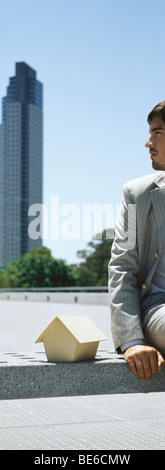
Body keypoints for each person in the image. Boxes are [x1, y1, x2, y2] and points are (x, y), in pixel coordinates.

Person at [108, 101, 165, 381]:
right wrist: (132, 341)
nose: (148, 142)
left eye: (158, 133)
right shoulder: (137, 193)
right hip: (159, 308)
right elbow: (122, 265)